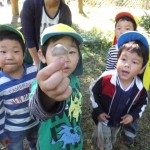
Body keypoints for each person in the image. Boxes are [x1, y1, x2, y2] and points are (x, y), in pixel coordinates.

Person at [90, 31, 149, 150]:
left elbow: (143, 103)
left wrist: (133, 115)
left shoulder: (139, 88)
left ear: (142, 69)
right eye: (123, 59)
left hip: (118, 123)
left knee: (112, 137)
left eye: (134, 62)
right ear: (117, 60)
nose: (127, 65)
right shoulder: (106, 78)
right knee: (102, 142)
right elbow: (93, 91)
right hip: (104, 120)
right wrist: (98, 111)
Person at [28, 23, 84, 149]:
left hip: (75, 142)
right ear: (42, 55)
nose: (65, 58)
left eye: (72, 52)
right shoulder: (41, 85)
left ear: (79, 56)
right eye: (57, 51)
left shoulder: (75, 80)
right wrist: (47, 97)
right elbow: (36, 112)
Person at [0, 25, 39, 150]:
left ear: (24, 54)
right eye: (3, 52)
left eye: (16, 51)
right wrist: (1, 133)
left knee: (38, 145)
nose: (10, 56)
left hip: (36, 123)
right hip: (13, 130)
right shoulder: (1, 82)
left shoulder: (34, 72)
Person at [105, 11, 139, 146]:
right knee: (115, 110)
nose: (122, 31)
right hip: (116, 88)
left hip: (132, 89)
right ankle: (113, 129)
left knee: (132, 111)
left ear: (134, 32)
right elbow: (108, 69)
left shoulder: (139, 50)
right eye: (119, 28)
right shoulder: (113, 50)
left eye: (127, 28)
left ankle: (129, 133)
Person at [21, 0, 72, 68]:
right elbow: (29, 37)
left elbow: (64, 40)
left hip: (54, 58)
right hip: (32, 57)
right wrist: (37, 63)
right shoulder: (30, 4)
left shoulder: (65, 10)